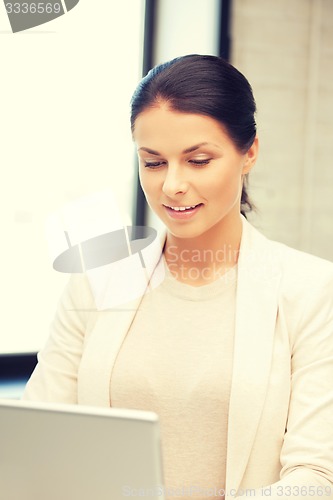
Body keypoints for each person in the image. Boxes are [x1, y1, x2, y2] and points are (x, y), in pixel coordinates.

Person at [23, 55, 333, 500]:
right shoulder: (97, 279)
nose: (172, 186)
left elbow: (315, 477)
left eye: (198, 160)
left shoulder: (311, 290)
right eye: (153, 163)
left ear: (250, 153)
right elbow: (39, 435)